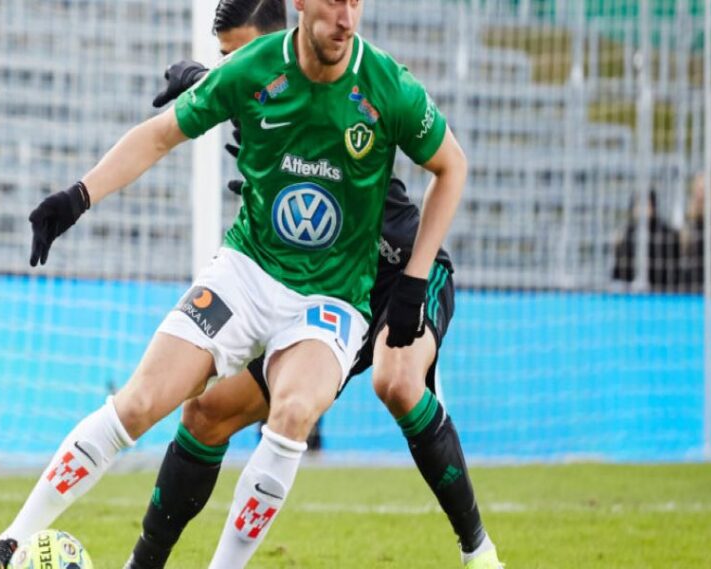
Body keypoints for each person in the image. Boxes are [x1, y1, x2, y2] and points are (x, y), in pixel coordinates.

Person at [0, 1, 470, 567]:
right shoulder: (252, 69)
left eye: (355, 2)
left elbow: (451, 165)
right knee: (139, 402)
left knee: (292, 413)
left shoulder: (388, 86)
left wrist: (415, 279)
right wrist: (77, 197)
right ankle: (9, 541)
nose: (346, 18)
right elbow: (160, 135)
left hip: (331, 298)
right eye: (334, 1)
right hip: (246, 273)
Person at [124, 3, 501, 568]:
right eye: (225, 59)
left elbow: (444, 163)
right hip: (322, 299)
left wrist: (415, 281)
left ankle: (480, 552)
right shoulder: (263, 93)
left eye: (237, 54)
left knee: (397, 381)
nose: (234, 66)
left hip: (401, 275)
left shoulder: (349, 89)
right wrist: (210, 86)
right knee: (206, 412)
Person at [611, 189, 681, 290]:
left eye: (645, 205)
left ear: (653, 207)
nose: (641, 210)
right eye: (638, 205)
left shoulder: (667, 234)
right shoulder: (627, 234)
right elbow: (618, 273)